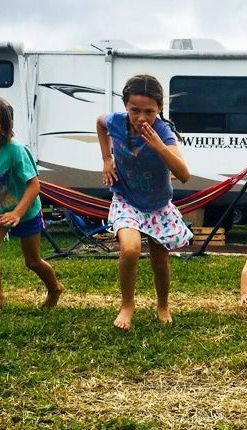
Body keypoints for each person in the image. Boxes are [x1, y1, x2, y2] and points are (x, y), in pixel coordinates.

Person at [96, 74, 192, 331]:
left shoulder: (162, 131)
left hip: (157, 206)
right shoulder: (115, 122)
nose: (141, 118)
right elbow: (99, 123)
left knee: (159, 261)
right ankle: (127, 304)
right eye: (134, 110)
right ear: (125, 106)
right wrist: (107, 159)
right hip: (126, 199)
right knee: (130, 249)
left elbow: (183, 174)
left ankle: (163, 304)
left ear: (159, 109)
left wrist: (159, 146)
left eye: (149, 111)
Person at [0, 93, 63, 316]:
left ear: (4, 127)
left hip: (25, 212)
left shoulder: (16, 151)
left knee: (33, 262)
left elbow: (34, 186)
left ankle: (54, 289)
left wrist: (17, 213)